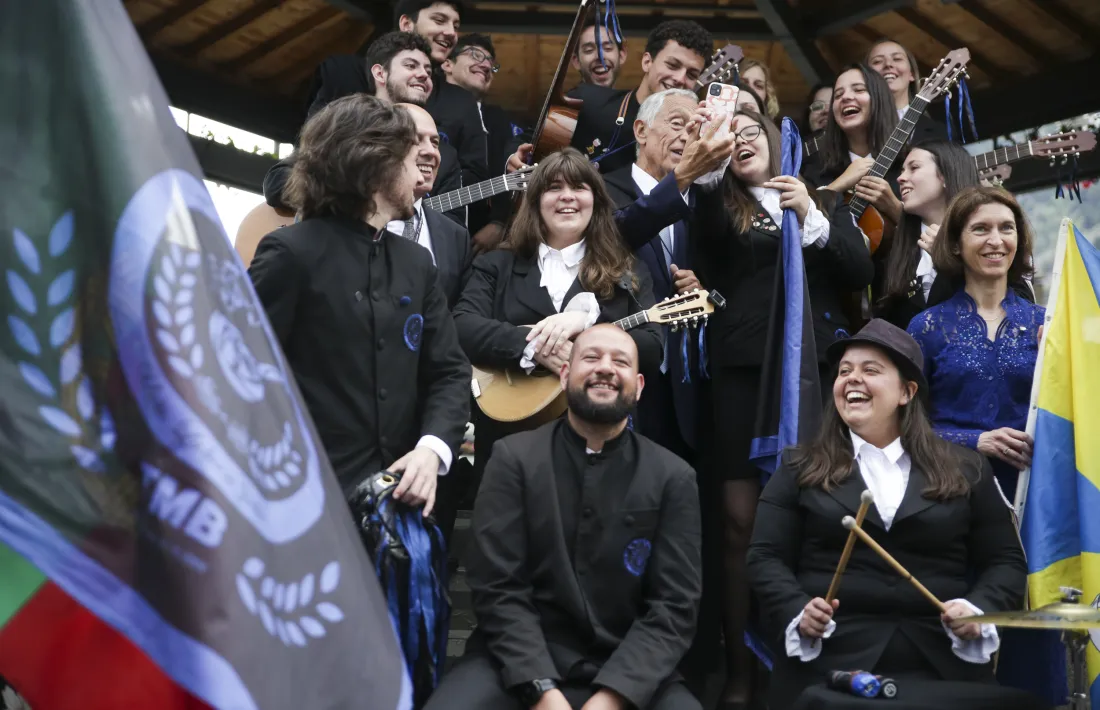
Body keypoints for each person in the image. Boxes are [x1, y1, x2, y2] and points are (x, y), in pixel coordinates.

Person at [746, 319, 1034, 710]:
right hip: (833, 661)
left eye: (870, 370)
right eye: (844, 371)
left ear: (906, 391)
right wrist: (798, 610)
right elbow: (765, 557)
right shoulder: (799, 466)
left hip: (941, 661)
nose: (852, 380)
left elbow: (1005, 560)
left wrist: (976, 610)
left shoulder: (967, 468)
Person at [693, 107, 874, 708]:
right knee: (739, 523)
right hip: (744, 376)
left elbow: (857, 265)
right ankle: (742, 673)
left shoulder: (818, 196)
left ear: (776, 142)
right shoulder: (718, 203)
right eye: (733, 136)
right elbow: (707, 244)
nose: (743, 142)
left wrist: (813, 215)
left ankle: (809, 668)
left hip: (815, 374)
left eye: (752, 133)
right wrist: (708, 168)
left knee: (816, 518)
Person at [423, 324, 703, 710]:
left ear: (638, 386)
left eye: (620, 361)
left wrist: (614, 696)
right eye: (590, 358)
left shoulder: (674, 476)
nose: (605, 368)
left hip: (629, 667)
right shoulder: (514, 459)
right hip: (515, 663)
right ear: (564, 375)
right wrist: (540, 690)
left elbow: (674, 607)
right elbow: (497, 588)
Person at [248, 95, 470, 510]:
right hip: (305, 503)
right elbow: (243, 373)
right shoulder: (290, 253)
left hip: (400, 502)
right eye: (409, 155)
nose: (422, 165)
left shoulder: (417, 263)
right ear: (375, 166)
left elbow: (449, 372)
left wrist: (431, 450)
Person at [453, 148, 663, 481]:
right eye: (553, 188)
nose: (567, 197)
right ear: (535, 201)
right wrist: (535, 344)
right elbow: (463, 327)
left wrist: (585, 326)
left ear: (595, 201)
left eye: (579, 187)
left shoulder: (626, 269)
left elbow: (652, 345)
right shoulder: (497, 264)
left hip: (601, 441)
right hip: (512, 441)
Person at [906, 187, 1040, 498]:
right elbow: (904, 423)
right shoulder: (926, 327)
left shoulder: (1047, 323)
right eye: (981, 229)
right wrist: (973, 440)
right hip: (953, 490)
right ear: (955, 244)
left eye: (1006, 228)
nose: (996, 240)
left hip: (1037, 492)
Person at [507, 20, 713, 178]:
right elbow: (529, 144)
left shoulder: (691, 135)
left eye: (692, 74)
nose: (680, 78)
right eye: (672, 65)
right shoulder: (587, 100)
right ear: (647, 61)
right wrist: (513, 159)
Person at [876, 141, 979, 328]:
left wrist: (949, 259)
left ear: (946, 176)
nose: (900, 178)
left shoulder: (990, 238)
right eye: (901, 170)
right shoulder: (895, 251)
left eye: (914, 168)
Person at [442, 33, 526, 251]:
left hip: (483, 242)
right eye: (475, 54)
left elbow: (513, 173)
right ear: (447, 64)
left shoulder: (500, 120)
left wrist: (499, 221)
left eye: (491, 62)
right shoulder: (426, 109)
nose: (486, 64)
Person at [395, 0, 490, 190]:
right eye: (439, 20)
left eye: (455, 26)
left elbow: (476, 173)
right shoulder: (353, 78)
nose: (451, 33)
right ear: (407, 24)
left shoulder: (462, 102)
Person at [386, 104, 473, 309]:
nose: (431, 152)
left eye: (435, 143)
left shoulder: (456, 236)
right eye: (416, 140)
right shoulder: (348, 220)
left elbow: (460, 316)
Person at [805, 64, 903, 228]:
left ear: (880, 99)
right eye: (838, 95)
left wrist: (895, 208)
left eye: (858, 90)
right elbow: (798, 228)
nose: (845, 97)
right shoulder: (813, 167)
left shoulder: (910, 164)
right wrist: (839, 185)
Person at [865, 38, 946, 144]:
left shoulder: (939, 131)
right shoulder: (857, 130)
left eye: (897, 59)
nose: (888, 64)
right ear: (866, 77)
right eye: (877, 61)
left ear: (911, 74)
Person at [571, 20, 627, 89]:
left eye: (607, 48)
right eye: (589, 50)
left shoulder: (629, 99)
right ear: (576, 61)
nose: (600, 56)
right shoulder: (564, 99)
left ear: (621, 56)